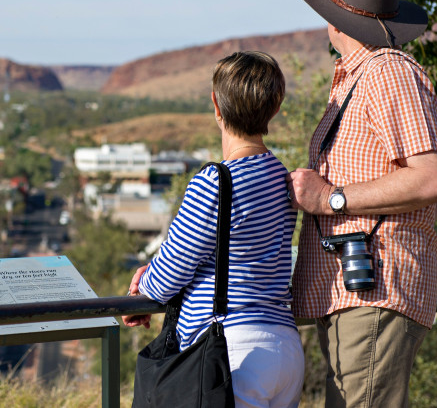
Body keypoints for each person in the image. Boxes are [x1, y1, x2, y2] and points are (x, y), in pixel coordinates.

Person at [288, 0, 437, 408]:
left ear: (337, 22)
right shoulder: (358, 78)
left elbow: (433, 178)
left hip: (375, 291)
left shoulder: (389, 73)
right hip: (356, 292)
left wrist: (331, 199)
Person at [124, 51, 305, 408]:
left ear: (216, 106)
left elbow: (169, 275)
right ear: (275, 106)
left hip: (234, 354)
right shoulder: (280, 177)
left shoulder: (215, 183)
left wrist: (141, 285)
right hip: (284, 348)